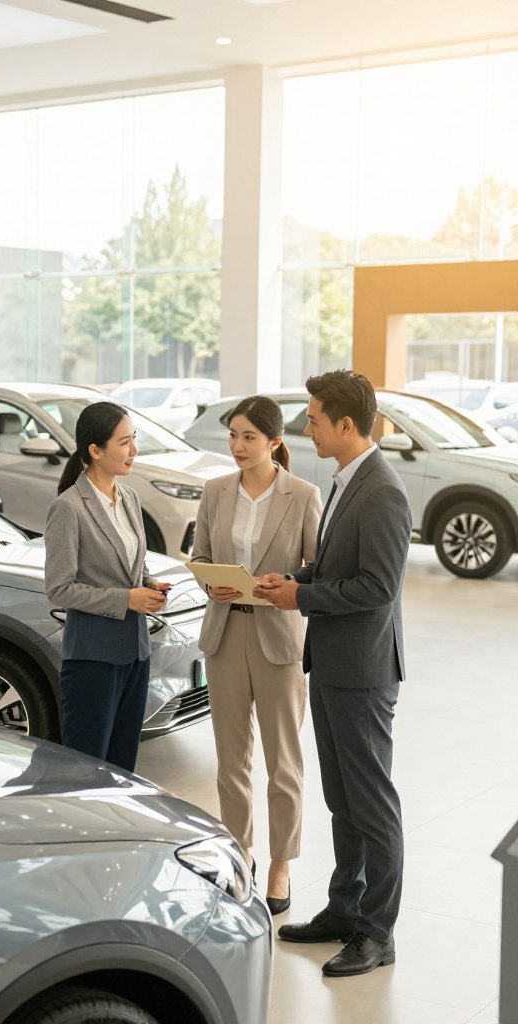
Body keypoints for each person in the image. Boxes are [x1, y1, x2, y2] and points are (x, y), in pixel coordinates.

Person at [255, 369, 411, 978]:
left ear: (346, 424)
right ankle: (345, 910)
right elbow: (336, 568)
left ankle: (377, 932)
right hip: (332, 663)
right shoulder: (347, 480)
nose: (307, 427)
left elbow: (377, 587)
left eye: (315, 418)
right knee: (342, 799)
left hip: (364, 671)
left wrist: (302, 598)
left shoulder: (383, 490)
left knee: (373, 804)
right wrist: (294, 582)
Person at [190, 396, 322, 917]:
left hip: (279, 639)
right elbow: (200, 556)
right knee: (231, 761)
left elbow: (317, 569)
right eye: (233, 435)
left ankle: (280, 863)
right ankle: (238, 852)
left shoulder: (303, 495)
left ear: (274, 441)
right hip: (225, 635)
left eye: (248, 437)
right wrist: (211, 585)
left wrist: (285, 582)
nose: (238, 446)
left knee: (283, 762)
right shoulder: (215, 491)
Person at [44, 401, 169, 772]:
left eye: (134, 439)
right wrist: (127, 599)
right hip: (92, 659)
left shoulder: (129, 497)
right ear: (95, 451)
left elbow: (134, 564)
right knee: (85, 770)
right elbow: (59, 588)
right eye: (124, 442)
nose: (134, 450)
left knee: (123, 768)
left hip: (136, 653)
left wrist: (149, 583)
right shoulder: (68, 508)